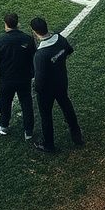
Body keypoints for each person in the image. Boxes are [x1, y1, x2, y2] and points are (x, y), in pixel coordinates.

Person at [30, 17, 84, 153]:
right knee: (66, 105)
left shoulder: (40, 54)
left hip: (46, 90)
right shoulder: (59, 39)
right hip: (61, 81)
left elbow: (40, 78)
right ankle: (77, 135)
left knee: (46, 116)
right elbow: (69, 51)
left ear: (34, 32)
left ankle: (49, 144)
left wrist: (36, 88)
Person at [0, 12, 36, 140]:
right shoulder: (28, 39)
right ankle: (29, 131)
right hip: (24, 78)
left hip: (7, 80)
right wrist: (33, 74)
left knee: (5, 102)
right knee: (26, 102)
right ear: (17, 23)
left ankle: (4, 126)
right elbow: (34, 59)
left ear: (6, 24)